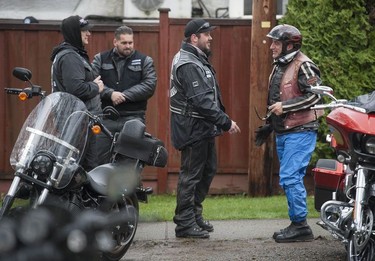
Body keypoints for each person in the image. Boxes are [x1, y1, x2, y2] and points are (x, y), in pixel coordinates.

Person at [169, 19, 241, 239]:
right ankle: (184, 223)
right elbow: (202, 101)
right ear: (194, 38)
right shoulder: (188, 63)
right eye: (207, 34)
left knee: (208, 170)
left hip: (202, 126)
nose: (210, 38)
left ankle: (194, 214)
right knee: (191, 175)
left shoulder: (196, 58)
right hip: (192, 128)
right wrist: (226, 122)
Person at [265, 24, 323, 243]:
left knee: (290, 176)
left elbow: (316, 96)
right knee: (289, 178)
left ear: (290, 45)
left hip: (301, 130)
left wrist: (285, 108)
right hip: (285, 130)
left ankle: (300, 226)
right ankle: (296, 224)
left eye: (276, 43)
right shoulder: (281, 64)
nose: (271, 47)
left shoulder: (304, 65)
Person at [91, 25, 157, 164]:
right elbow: (92, 82)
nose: (128, 46)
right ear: (115, 42)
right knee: (99, 161)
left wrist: (123, 95)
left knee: (130, 163)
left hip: (133, 118)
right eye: (124, 43)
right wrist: (110, 94)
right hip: (105, 118)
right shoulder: (100, 59)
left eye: (130, 42)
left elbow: (149, 85)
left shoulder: (145, 60)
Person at [50, 15, 104, 171]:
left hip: (78, 120)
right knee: (81, 167)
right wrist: (96, 87)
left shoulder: (71, 54)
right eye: (84, 31)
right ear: (74, 33)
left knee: (78, 166)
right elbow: (76, 89)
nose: (89, 34)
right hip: (76, 121)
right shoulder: (70, 57)